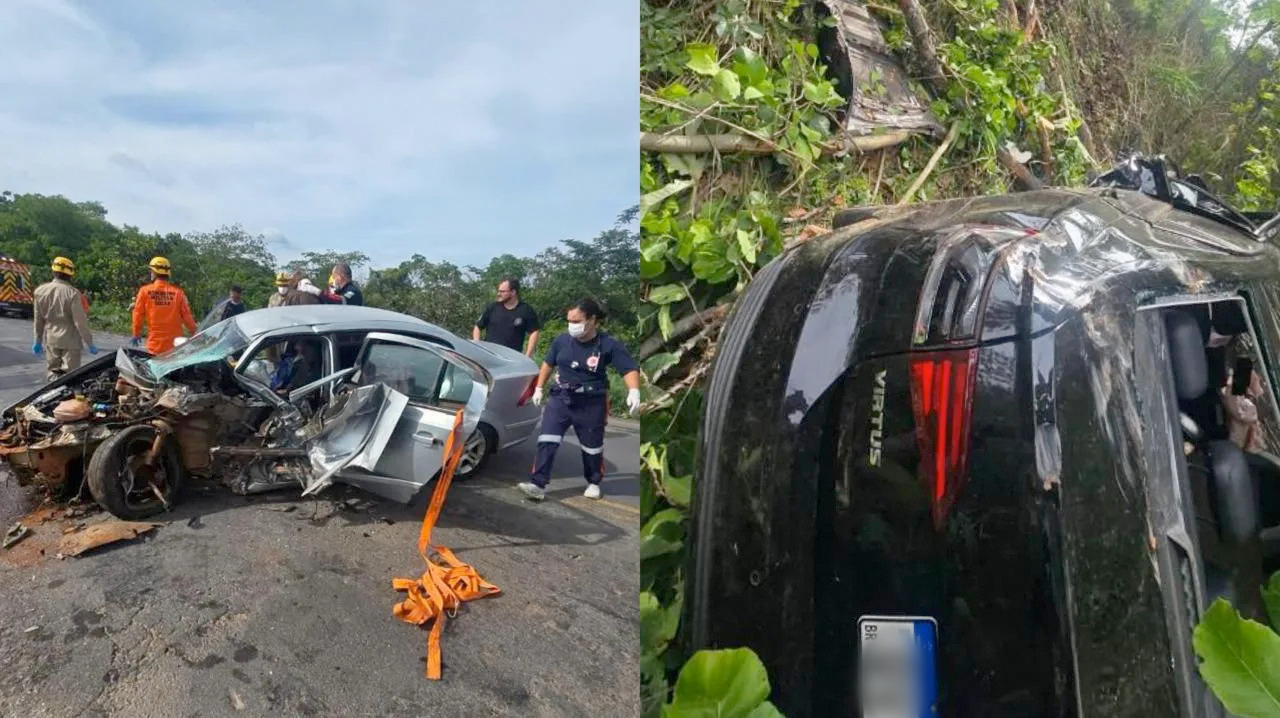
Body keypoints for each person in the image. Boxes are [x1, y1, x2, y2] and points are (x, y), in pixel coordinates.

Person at [517, 298, 642, 502]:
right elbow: (548, 364)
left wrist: (634, 391)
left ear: (592, 320)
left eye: (577, 321)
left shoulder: (608, 344)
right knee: (547, 440)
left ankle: (593, 481)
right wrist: (539, 387)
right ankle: (537, 484)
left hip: (592, 401)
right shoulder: (561, 341)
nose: (572, 326)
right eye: (569, 321)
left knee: (592, 448)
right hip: (561, 398)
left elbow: (628, 368)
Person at [32, 256, 98, 382]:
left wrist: (37, 340)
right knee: (70, 377)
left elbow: (38, 320)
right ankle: (66, 399)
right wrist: (90, 343)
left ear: (53, 271)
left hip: (51, 339)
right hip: (71, 341)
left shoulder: (40, 291)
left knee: (52, 373)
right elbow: (80, 322)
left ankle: (52, 397)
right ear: (70, 275)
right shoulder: (72, 293)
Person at [130, 256, 197, 355]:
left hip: (155, 345)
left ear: (153, 272)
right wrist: (195, 333)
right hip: (175, 345)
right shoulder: (178, 293)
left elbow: (138, 314)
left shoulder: (144, 291)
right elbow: (187, 316)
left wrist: (136, 333)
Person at [472, 277, 540, 356]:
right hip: (489, 355)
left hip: (511, 359)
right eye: (499, 291)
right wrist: (477, 345)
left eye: (502, 291)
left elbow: (534, 332)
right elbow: (477, 326)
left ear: (513, 292)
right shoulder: (492, 307)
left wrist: (528, 355)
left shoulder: (526, 310)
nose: (498, 294)